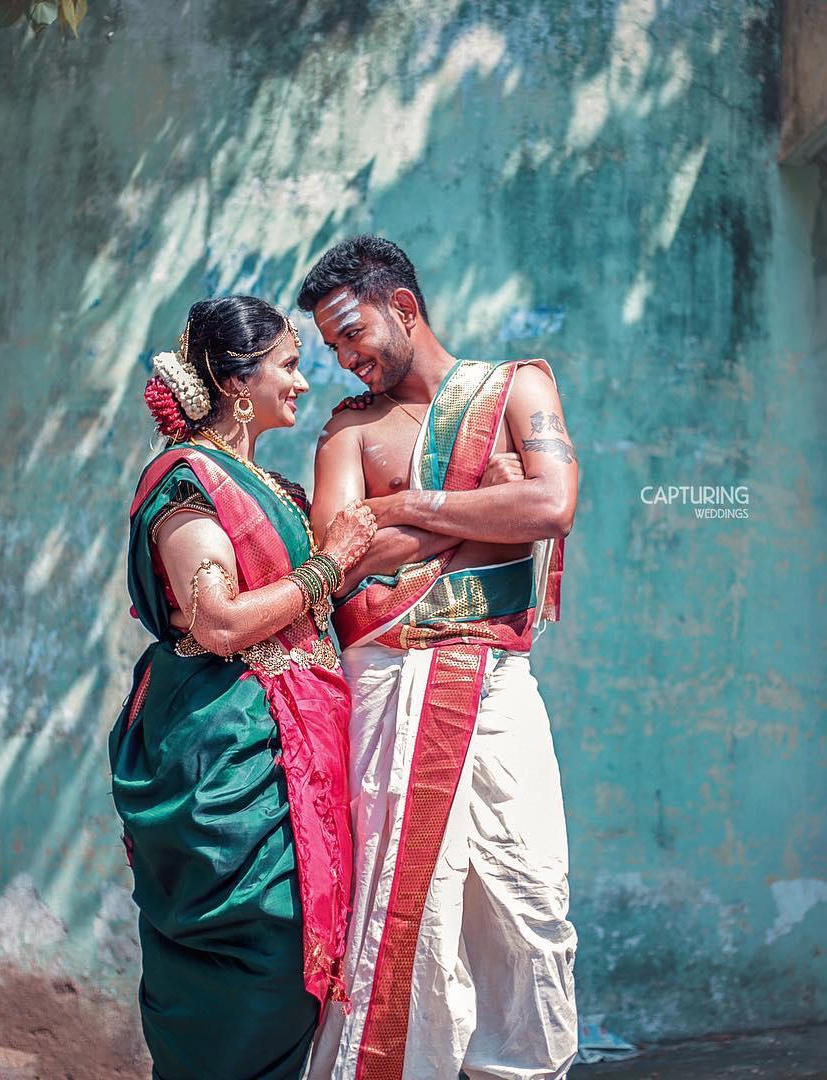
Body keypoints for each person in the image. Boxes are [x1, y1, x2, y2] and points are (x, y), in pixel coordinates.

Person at [298, 236, 579, 1080]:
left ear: (404, 308)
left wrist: (413, 506)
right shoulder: (350, 431)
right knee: (399, 916)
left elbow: (553, 503)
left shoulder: (515, 388)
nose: (346, 360)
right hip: (390, 684)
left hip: (494, 687)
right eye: (332, 347)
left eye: (352, 334)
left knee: (529, 901)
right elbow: (340, 552)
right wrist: (490, 504)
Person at [108, 295, 377, 1080]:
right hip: (226, 766)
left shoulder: (273, 488)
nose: (304, 381)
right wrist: (330, 565)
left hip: (287, 755)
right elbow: (218, 621)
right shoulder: (186, 479)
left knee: (296, 971)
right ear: (237, 383)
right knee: (260, 955)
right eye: (290, 365)